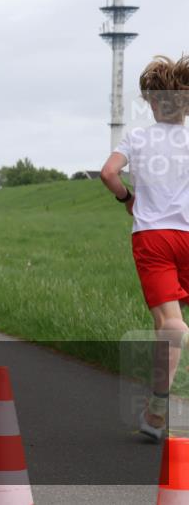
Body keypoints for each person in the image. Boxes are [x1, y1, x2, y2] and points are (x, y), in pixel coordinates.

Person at [100, 54, 189, 441]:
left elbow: (108, 173)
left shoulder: (137, 137)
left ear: (153, 102)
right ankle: (155, 417)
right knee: (162, 326)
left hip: (153, 238)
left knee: (171, 324)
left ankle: (156, 411)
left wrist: (126, 199)